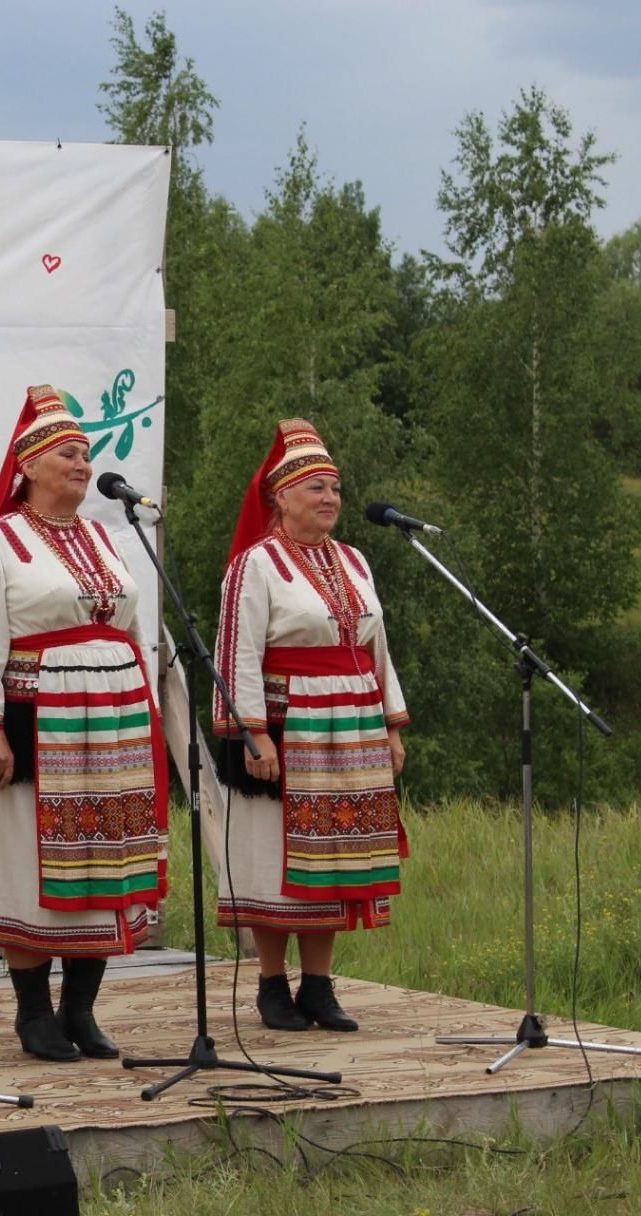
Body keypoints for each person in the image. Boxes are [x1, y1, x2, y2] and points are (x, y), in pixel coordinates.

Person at [0, 386, 169, 1061]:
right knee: (29, 860)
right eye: (68, 453)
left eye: (86, 453)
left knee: (107, 858)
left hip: (114, 724)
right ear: (29, 465)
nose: (82, 462)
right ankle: (33, 1012)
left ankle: (82, 1009)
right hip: (36, 720)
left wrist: (145, 710)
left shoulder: (105, 538)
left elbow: (132, 627)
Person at [210, 418, 409, 1032]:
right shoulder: (256, 565)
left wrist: (391, 725)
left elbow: (378, 647)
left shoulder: (354, 560)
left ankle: (319, 987)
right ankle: (273, 985)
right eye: (316, 488)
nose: (330, 499)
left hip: (352, 729)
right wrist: (252, 732)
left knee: (337, 856)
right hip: (288, 727)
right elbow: (237, 650)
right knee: (276, 853)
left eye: (335, 488)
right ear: (282, 498)